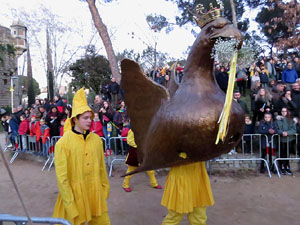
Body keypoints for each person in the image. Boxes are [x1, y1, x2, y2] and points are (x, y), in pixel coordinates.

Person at [53, 88, 110, 225]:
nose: (89, 121)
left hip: (95, 196)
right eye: (85, 118)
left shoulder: (97, 140)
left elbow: (102, 169)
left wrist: (104, 190)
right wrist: (70, 205)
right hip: (74, 197)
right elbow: (62, 178)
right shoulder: (63, 143)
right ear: (75, 120)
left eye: (90, 117)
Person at [275, 107, 296, 175]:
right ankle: (281, 167)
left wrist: (287, 133)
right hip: (281, 140)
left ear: (287, 112)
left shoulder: (291, 120)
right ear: (281, 112)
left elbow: (293, 129)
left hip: (289, 140)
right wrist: (282, 132)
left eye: (285, 111)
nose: (284, 112)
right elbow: (276, 129)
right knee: (281, 154)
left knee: (287, 154)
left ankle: (287, 167)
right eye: (282, 111)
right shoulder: (278, 120)